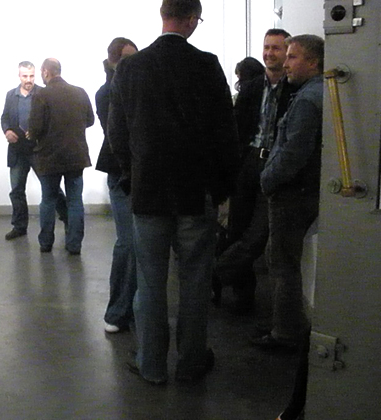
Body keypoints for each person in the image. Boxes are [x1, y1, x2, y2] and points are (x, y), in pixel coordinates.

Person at [108, 0, 239, 385]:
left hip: (148, 193)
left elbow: (117, 133)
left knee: (150, 283)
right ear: (191, 20)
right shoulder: (206, 64)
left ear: (163, 16)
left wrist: (133, 175)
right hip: (195, 192)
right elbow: (226, 133)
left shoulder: (130, 67)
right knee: (195, 282)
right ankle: (191, 363)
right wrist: (221, 187)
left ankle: (150, 365)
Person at [213, 29, 298, 315]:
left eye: (276, 48)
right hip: (249, 161)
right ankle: (242, 295)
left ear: (287, 53)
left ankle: (215, 273)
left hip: (276, 164)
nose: (269, 53)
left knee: (258, 234)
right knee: (237, 228)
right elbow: (235, 127)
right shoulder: (251, 88)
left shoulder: (296, 89)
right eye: (266, 47)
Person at [252, 35, 324, 355]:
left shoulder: (308, 100)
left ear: (313, 62)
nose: (285, 63)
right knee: (282, 260)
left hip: (292, 194)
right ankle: (286, 324)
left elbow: (293, 153)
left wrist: (267, 179)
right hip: (302, 191)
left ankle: (285, 332)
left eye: (293, 57)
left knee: (282, 264)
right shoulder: (315, 93)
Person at [28, 58, 95, 255]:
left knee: (48, 200)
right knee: (75, 201)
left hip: (49, 157)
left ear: (45, 72)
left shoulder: (41, 95)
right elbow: (90, 120)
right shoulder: (80, 92)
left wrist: (35, 134)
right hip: (76, 155)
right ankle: (74, 245)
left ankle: (46, 243)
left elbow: (35, 128)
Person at [95, 37, 139, 333]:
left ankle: (130, 308)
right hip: (122, 171)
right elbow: (119, 133)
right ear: (113, 61)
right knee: (128, 241)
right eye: (126, 59)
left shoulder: (129, 86)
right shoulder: (108, 92)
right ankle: (118, 311)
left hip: (136, 170)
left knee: (137, 242)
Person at [0, 61, 68, 241]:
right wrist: (7, 131)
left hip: (39, 149)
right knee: (16, 190)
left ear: (36, 75)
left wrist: (38, 132)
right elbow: (4, 117)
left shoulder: (43, 93)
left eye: (31, 76)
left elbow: (51, 119)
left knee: (52, 188)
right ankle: (19, 226)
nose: (28, 80)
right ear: (19, 76)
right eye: (25, 76)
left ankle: (67, 218)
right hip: (17, 150)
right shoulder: (11, 95)